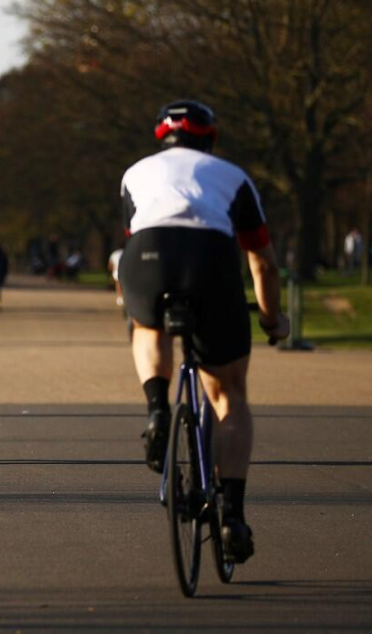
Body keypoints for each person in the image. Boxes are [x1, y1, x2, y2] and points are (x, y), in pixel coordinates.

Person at [119, 100, 290, 563]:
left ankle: (157, 409)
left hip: (147, 255)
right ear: (211, 137)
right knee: (229, 392)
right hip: (208, 257)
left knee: (146, 324)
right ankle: (231, 515)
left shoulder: (135, 173)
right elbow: (263, 262)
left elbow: (133, 233)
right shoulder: (233, 177)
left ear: (161, 137)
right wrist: (273, 320)